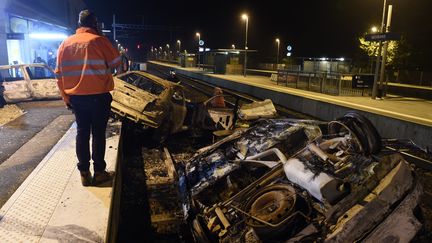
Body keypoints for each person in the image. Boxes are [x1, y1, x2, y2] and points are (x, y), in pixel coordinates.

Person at [55, 10, 121, 186]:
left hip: (76, 98)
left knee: (82, 133)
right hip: (99, 97)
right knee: (98, 134)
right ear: (94, 23)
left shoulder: (65, 44)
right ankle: (99, 172)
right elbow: (116, 63)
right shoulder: (99, 41)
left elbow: (59, 74)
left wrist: (65, 97)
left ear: (79, 24)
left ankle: (84, 173)